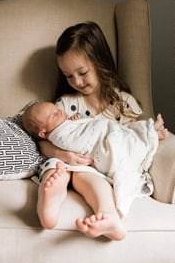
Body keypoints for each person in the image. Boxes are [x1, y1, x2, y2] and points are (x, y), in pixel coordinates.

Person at [33, 22, 152, 239]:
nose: (76, 81)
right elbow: (43, 140)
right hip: (73, 165)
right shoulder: (64, 106)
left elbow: (134, 137)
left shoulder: (123, 103)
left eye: (82, 72)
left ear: (99, 62)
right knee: (59, 168)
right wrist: (62, 155)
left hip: (101, 167)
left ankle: (108, 216)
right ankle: (50, 197)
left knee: (86, 175)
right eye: (69, 76)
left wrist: (154, 132)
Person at [21, 101, 169, 240]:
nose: (60, 111)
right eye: (54, 114)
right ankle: (51, 196)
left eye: (57, 109)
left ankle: (108, 216)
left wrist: (149, 133)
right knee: (56, 165)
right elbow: (57, 139)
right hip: (76, 163)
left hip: (92, 163)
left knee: (73, 171)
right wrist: (62, 151)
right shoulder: (65, 103)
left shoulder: (122, 100)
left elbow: (101, 128)